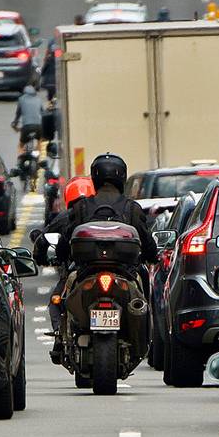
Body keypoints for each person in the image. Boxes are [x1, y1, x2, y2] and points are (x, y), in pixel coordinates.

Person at [35, 153, 158, 360]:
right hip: (125, 273)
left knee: (64, 292)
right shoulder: (132, 208)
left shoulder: (81, 207)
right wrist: (152, 256)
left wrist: (59, 256)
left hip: (85, 272)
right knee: (144, 284)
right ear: (122, 177)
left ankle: (61, 338)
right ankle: (145, 335)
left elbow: (66, 242)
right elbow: (147, 244)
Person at [38, 176, 96, 351]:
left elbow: (45, 241)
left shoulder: (66, 218)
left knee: (56, 303)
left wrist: (41, 257)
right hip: (113, 270)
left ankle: (59, 339)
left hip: (79, 272)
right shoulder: (108, 212)